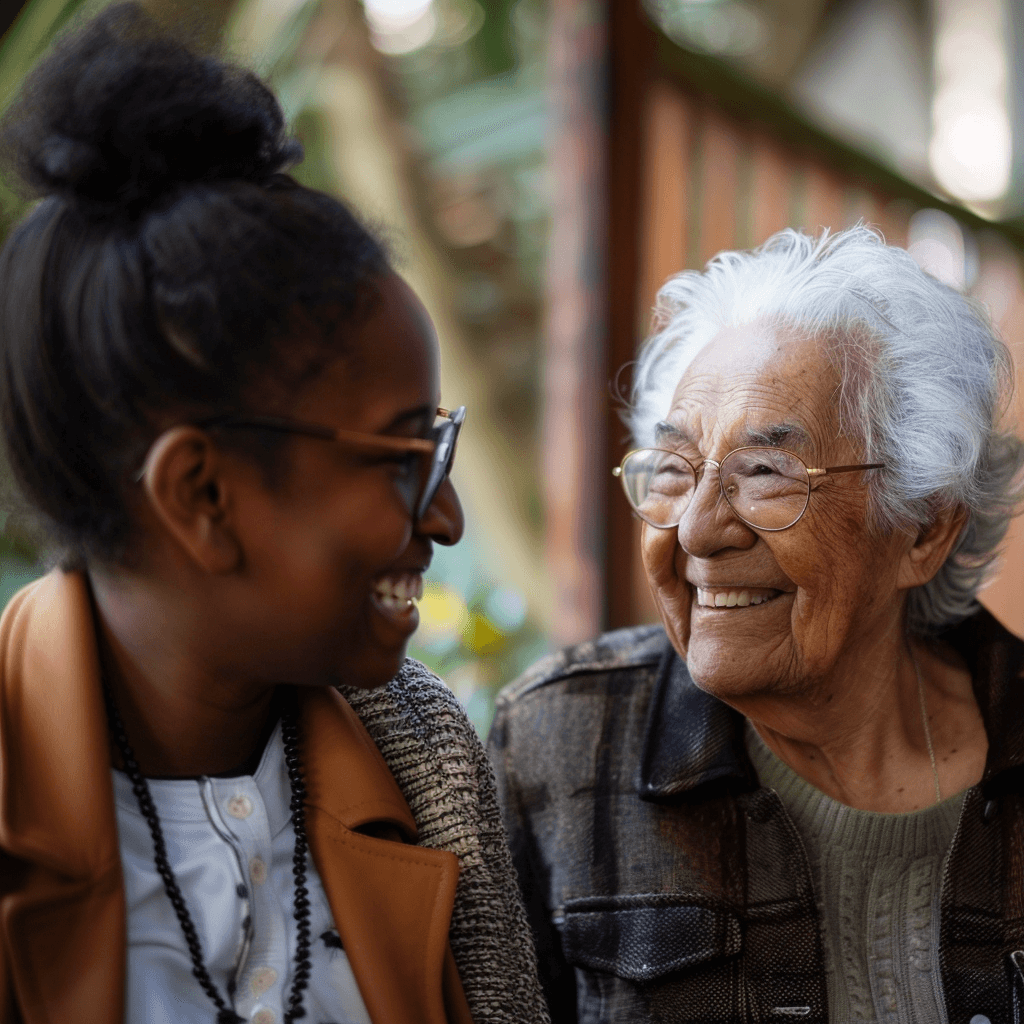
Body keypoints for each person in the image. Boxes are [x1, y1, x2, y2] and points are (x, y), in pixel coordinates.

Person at [0, 7, 548, 1024]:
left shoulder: (423, 756)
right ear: (201, 496)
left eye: (443, 445)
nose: (449, 521)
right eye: (403, 457)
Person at [489, 225, 1024, 1024]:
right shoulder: (561, 744)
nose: (699, 531)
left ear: (924, 530)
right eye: (674, 470)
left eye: (766, 474)